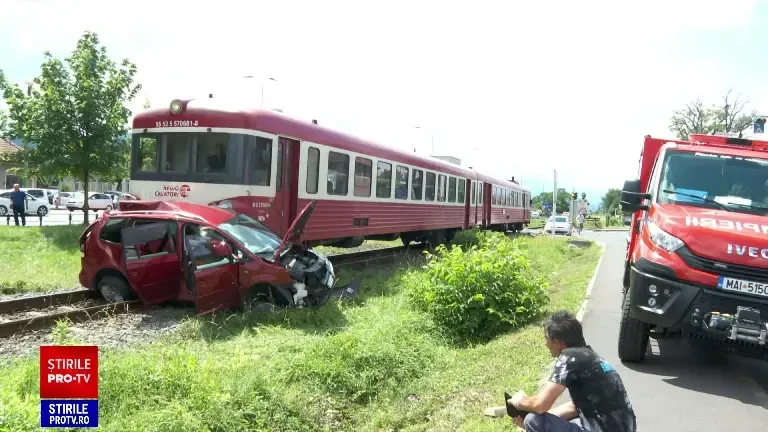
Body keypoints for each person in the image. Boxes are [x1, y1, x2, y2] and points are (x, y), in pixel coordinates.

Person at [509, 311, 636, 432]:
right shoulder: (592, 357)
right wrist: (546, 418)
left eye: (546, 338)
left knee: (533, 421)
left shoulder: (570, 356)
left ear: (557, 343)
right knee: (539, 420)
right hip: (620, 428)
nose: (545, 344)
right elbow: (575, 407)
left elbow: (540, 404)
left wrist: (520, 402)